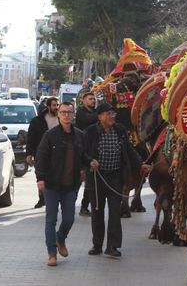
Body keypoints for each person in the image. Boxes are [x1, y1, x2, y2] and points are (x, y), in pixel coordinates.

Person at [84, 103, 151, 257]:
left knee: (115, 212)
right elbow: (83, 153)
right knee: (97, 211)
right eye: (108, 113)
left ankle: (113, 246)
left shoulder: (120, 130)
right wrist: (90, 161)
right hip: (97, 178)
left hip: (115, 177)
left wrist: (141, 164)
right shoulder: (90, 132)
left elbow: (128, 150)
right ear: (100, 116)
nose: (112, 116)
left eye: (113, 113)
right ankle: (97, 245)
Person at [34, 101, 89, 267]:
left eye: (69, 112)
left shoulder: (80, 135)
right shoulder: (50, 136)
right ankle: (52, 253)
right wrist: (40, 178)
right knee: (50, 220)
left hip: (70, 186)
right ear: (58, 114)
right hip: (51, 185)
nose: (66, 115)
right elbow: (40, 158)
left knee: (69, 218)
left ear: (73, 115)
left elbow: (84, 155)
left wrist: (86, 166)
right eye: (63, 112)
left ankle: (60, 239)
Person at [26, 97, 60, 209]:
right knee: (41, 176)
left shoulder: (62, 119)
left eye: (57, 105)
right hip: (42, 154)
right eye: (54, 105)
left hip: (58, 154)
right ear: (49, 106)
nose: (56, 107)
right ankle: (42, 198)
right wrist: (29, 154)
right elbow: (30, 138)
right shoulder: (37, 121)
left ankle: (53, 198)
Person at [75, 91, 98, 216]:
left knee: (90, 182)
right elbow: (89, 119)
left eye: (94, 99)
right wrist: (100, 113)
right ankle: (69, 203)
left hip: (92, 151)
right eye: (90, 99)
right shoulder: (81, 112)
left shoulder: (96, 112)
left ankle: (84, 206)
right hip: (80, 150)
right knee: (78, 180)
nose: (93, 101)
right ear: (84, 101)